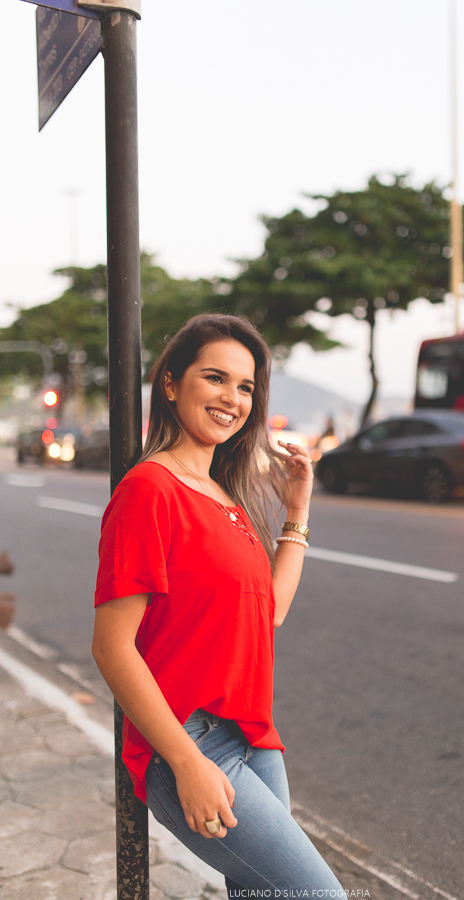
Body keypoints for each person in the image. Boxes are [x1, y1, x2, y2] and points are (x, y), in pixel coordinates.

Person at [92, 314, 345, 896]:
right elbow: (111, 645)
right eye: (215, 378)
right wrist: (185, 762)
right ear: (173, 384)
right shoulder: (150, 491)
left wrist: (297, 513)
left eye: (246, 387)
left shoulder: (223, 492)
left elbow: (269, 613)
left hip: (253, 739)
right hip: (189, 742)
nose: (233, 398)